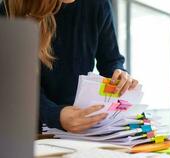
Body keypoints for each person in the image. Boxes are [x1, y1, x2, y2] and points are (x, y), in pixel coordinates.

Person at [0, 0, 138, 133]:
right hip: (24, 128)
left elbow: (110, 59)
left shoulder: (97, 4)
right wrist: (56, 115)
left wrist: (119, 74)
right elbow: (16, 85)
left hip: (77, 125)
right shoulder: (9, 10)